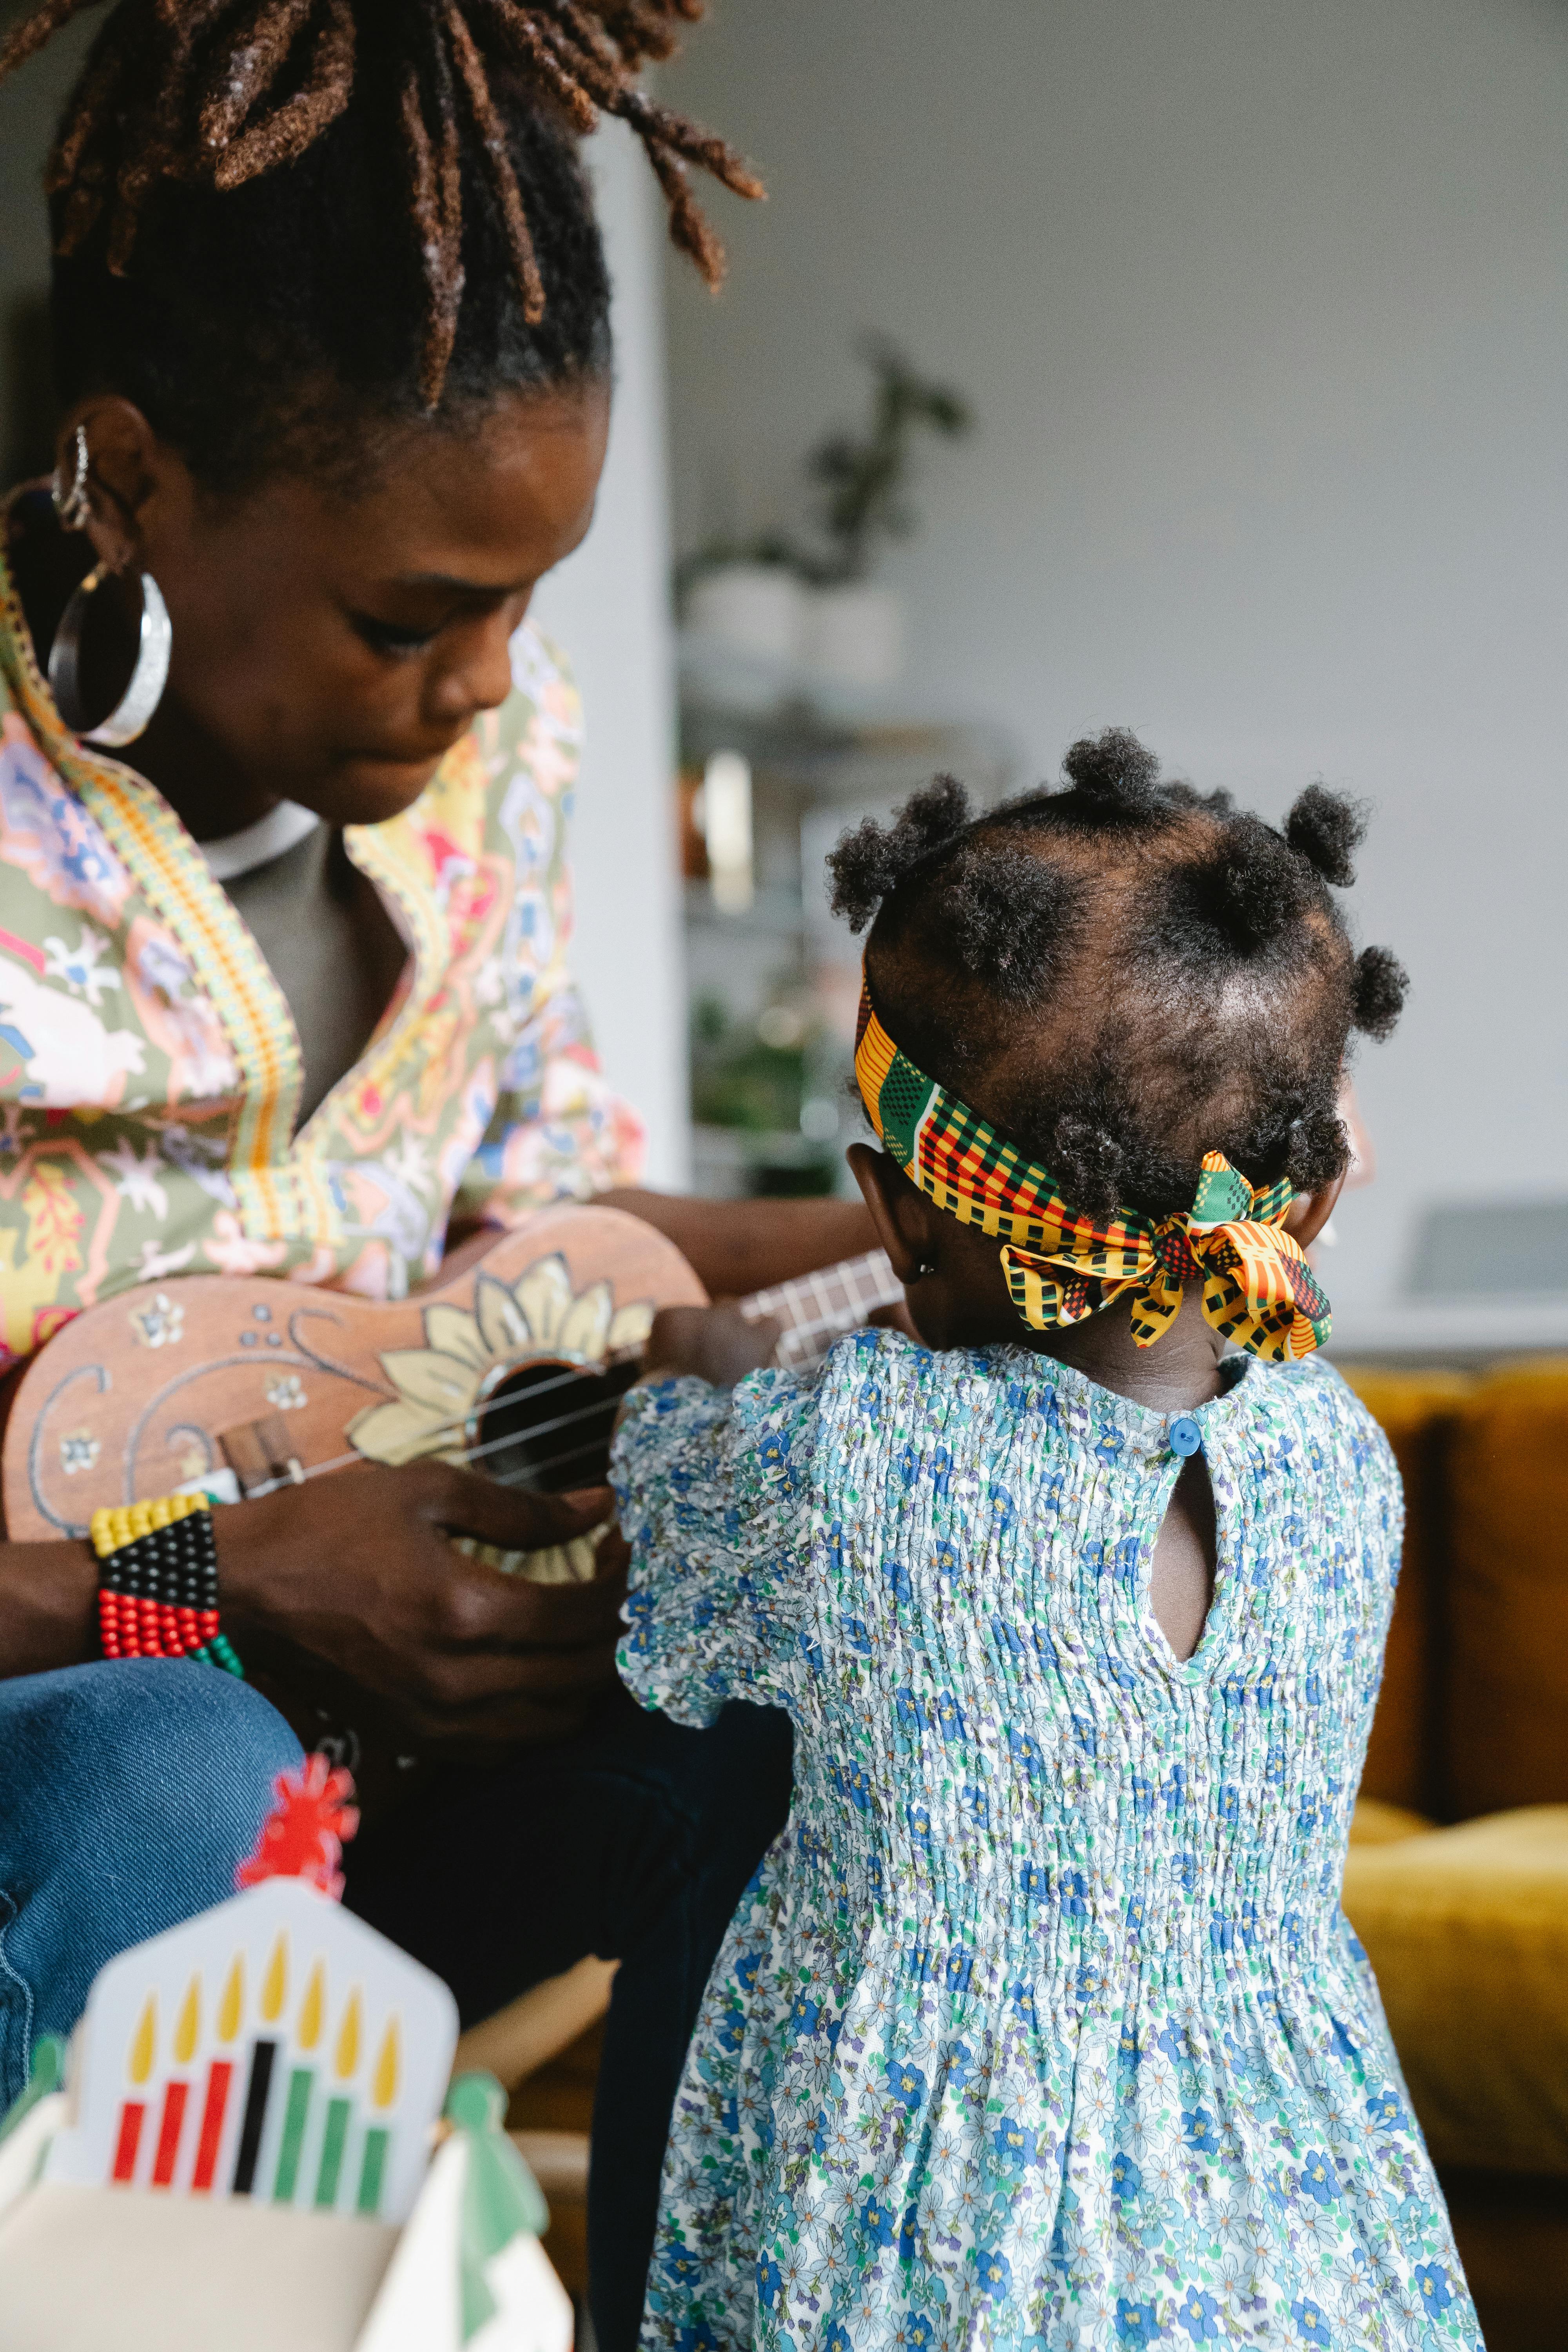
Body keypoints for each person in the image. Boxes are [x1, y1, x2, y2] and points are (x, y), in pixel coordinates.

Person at [0, 7, 869, 2339]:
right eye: (414, 614)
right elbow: (171, 1651)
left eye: (531, 597)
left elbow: (567, 1234)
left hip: (365, 1763)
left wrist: (975, 1221)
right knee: (161, 1769)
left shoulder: (508, 763)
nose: (491, 681)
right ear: (130, 478)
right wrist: (224, 1582)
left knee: (800, 1721)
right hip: (98, 1735)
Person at [611, 734, 1483, 2348]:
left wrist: (691, 1366)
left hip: (921, 2207)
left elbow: (665, 1524)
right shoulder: (1341, 1455)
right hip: (1283, 2180)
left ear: (899, 1210)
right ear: (1296, 1203)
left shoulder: (845, 1456)